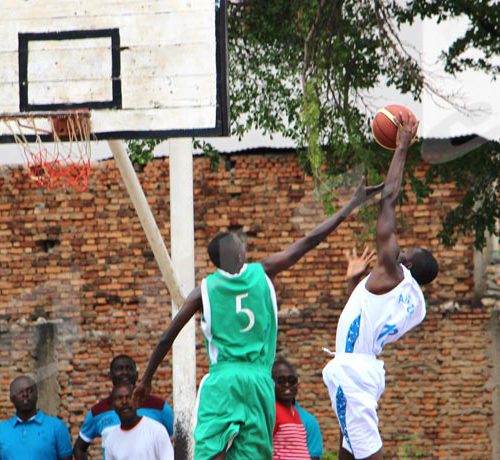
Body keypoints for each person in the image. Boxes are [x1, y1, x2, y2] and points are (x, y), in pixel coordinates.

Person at [134, 177, 383, 460]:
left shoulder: (202, 292)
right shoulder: (263, 271)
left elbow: (168, 335)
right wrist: (351, 204)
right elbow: (310, 240)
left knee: (208, 452)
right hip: (260, 383)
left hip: (224, 380)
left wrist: (146, 378)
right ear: (241, 253)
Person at [322, 113, 439, 460]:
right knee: (348, 451)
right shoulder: (412, 303)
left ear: (410, 265)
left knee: (368, 454)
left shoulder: (391, 270)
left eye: (410, 251)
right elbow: (364, 320)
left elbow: (389, 199)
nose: (403, 247)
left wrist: (400, 148)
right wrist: (354, 282)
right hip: (367, 369)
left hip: (352, 373)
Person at [73, 354, 173, 460]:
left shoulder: (159, 407)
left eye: (129, 368)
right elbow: (79, 448)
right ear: (110, 375)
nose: (125, 372)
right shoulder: (98, 412)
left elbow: (178, 440)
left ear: (137, 374)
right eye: (119, 369)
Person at [0, 375, 72, 460]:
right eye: (20, 391)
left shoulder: (57, 427)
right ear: (12, 398)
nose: (25, 394)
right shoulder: (2, 430)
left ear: (37, 395)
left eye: (30, 390)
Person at [104, 381, 173, 460]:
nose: (124, 402)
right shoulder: (111, 439)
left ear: (137, 400)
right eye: (119, 398)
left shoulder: (157, 430)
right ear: (112, 406)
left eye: (129, 397)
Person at [272, 357, 323, 460]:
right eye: (281, 380)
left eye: (291, 380)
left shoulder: (298, 416)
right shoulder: (271, 412)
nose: (287, 384)